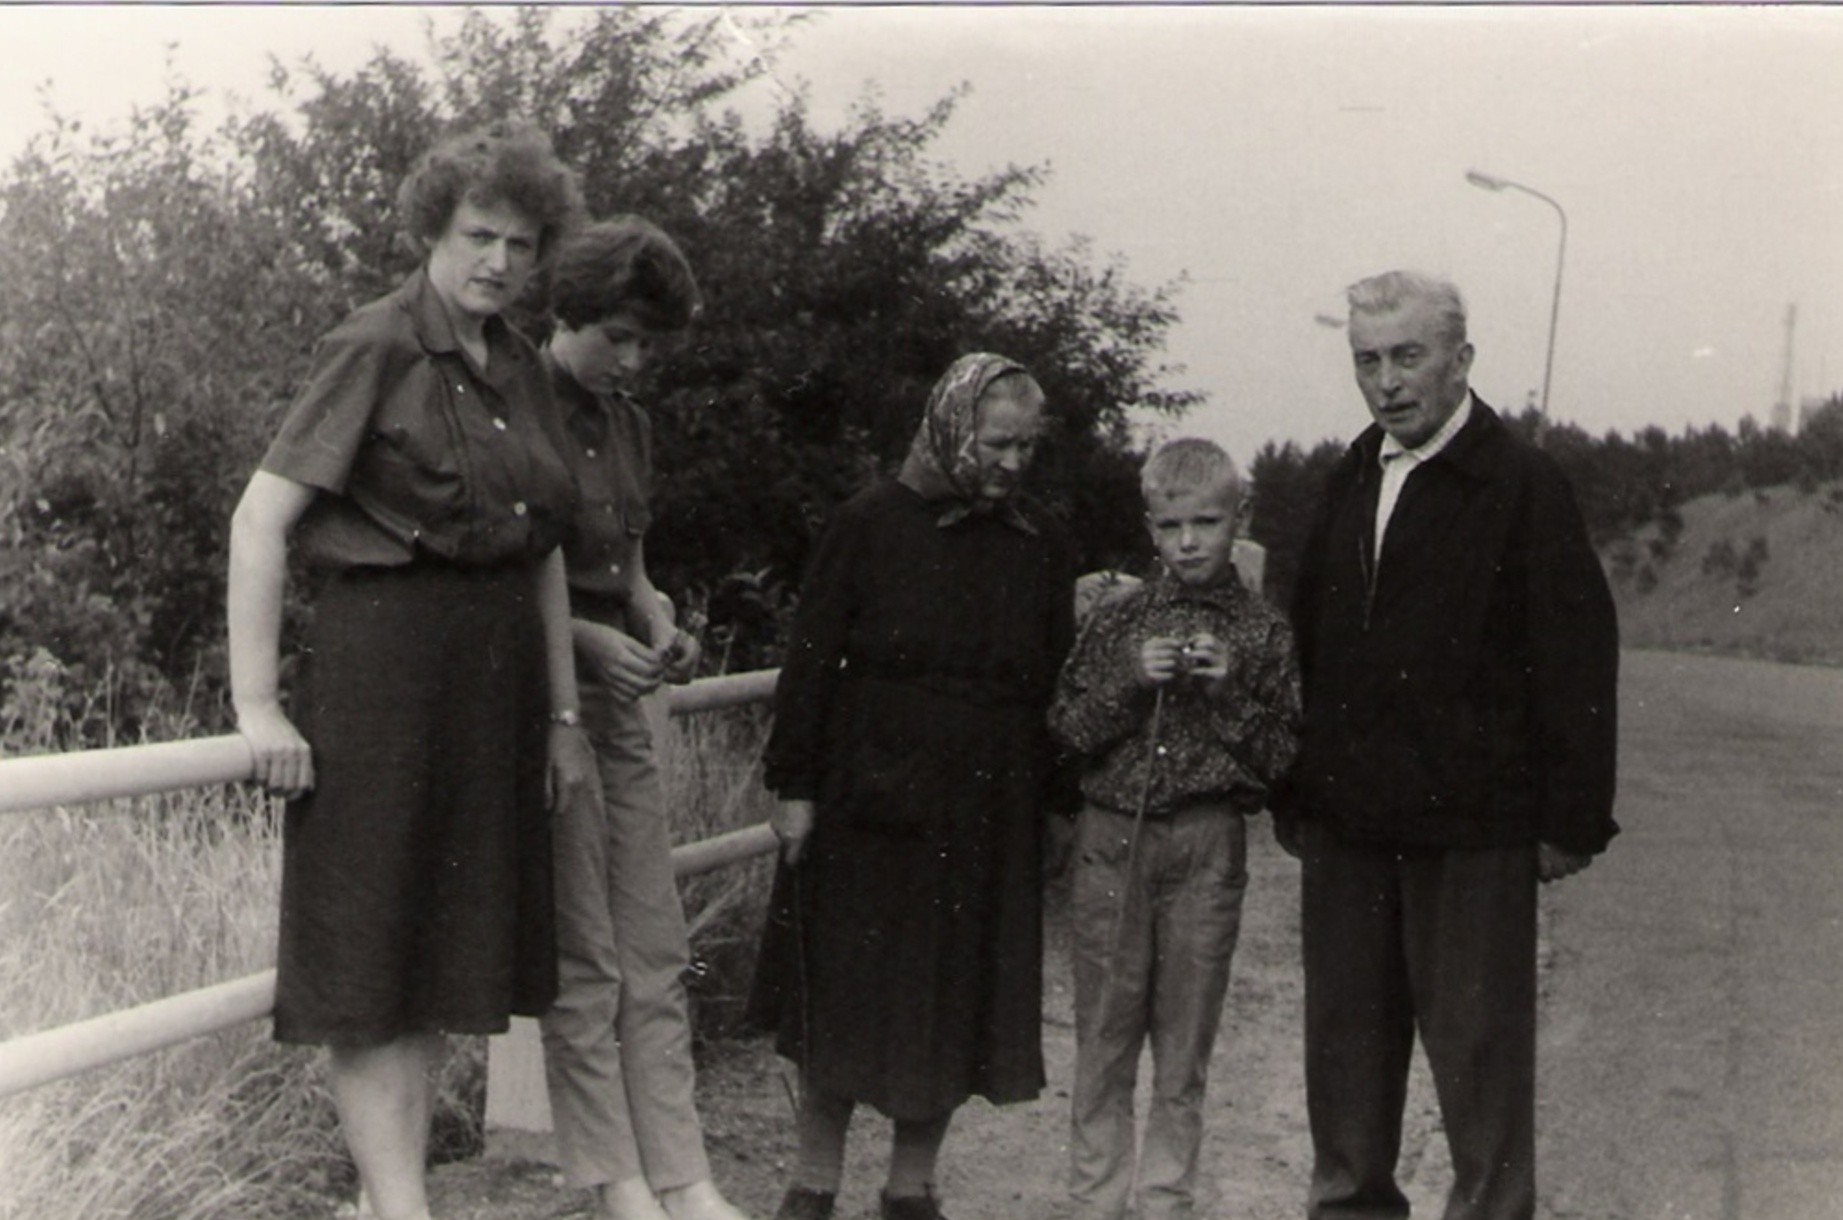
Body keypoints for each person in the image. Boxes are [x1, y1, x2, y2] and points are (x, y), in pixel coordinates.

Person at [226, 123, 597, 1220]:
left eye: (519, 244)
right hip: (382, 678)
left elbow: (541, 549)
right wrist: (257, 704)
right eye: (478, 234)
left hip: (492, 690)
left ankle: (391, 1200)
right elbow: (259, 520)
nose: (498, 260)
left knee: (436, 958)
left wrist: (562, 716)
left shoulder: (521, 365)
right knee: (374, 959)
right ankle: (400, 1208)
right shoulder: (374, 344)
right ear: (434, 228)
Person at [1276, 270, 1619, 1220]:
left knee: (1478, 1064)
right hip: (1348, 825)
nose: (1386, 382)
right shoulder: (1349, 477)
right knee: (1344, 1059)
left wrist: (1568, 820)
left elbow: (1576, 658)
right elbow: (1307, 641)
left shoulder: (1520, 485)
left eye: (1407, 357)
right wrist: (1296, 788)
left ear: (1460, 359)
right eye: (1367, 361)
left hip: (1472, 830)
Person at [748, 353, 1077, 1220]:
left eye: (1025, 447)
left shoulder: (1040, 544)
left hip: (990, 801)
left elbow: (1055, 684)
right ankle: (813, 1179)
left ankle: (910, 1185)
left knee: (953, 998)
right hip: (871, 792)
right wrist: (793, 787)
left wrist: (1056, 804)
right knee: (844, 989)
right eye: (996, 442)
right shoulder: (869, 522)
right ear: (952, 424)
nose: (1011, 463)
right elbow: (810, 663)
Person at [535, 216, 752, 1220]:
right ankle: (614, 1178)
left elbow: (629, 564)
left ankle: (681, 1172)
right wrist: (585, 641)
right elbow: (508, 579)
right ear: (569, 312)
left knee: (654, 944)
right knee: (586, 953)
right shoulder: (514, 404)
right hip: (546, 700)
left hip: (622, 697)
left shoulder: (629, 425)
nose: (630, 361)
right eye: (616, 337)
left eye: (647, 345)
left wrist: (658, 618)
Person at [1047, 438, 1301, 1220]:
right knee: (1103, 1039)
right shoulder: (1115, 619)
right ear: (1148, 526)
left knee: (1184, 1047)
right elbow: (1064, 732)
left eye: (1206, 523)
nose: (1187, 542)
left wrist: (1227, 693)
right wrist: (1129, 682)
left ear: (1239, 519)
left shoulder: (1263, 632)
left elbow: (1284, 760)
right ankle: (1094, 1204)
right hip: (1110, 844)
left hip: (1206, 845)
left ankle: (1164, 1203)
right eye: (1169, 526)